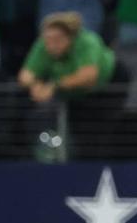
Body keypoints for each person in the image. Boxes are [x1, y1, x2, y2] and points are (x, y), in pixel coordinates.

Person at [17, 12, 129, 159]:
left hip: (107, 86)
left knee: (96, 133)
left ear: (70, 38)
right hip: (73, 93)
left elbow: (89, 76)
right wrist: (36, 85)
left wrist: (53, 86)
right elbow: (25, 76)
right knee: (74, 134)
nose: (51, 45)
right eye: (48, 39)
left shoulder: (88, 41)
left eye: (57, 40)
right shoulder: (43, 45)